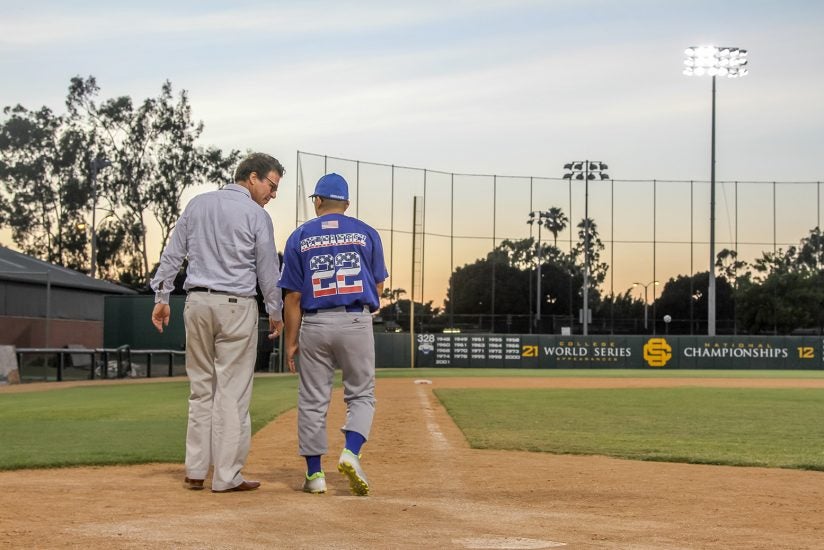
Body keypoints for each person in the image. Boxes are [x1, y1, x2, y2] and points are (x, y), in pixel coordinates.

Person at [150, 152, 285, 493]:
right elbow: (267, 270)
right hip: (236, 305)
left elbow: (172, 253)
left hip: (196, 301)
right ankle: (226, 476)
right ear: (252, 177)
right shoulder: (256, 215)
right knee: (232, 394)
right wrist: (275, 310)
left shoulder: (197, 204)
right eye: (271, 185)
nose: (273, 194)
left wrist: (162, 297)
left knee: (200, 390)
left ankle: (195, 471)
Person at [278, 173, 388, 496]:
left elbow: (293, 297)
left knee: (313, 399)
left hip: (314, 323)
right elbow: (379, 285)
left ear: (318, 201)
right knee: (361, 394)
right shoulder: (367, 234)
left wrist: (291, 341)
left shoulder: (299, 236)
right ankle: (351, 451)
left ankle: (315, 475)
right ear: (347, 204)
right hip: (356, 319)